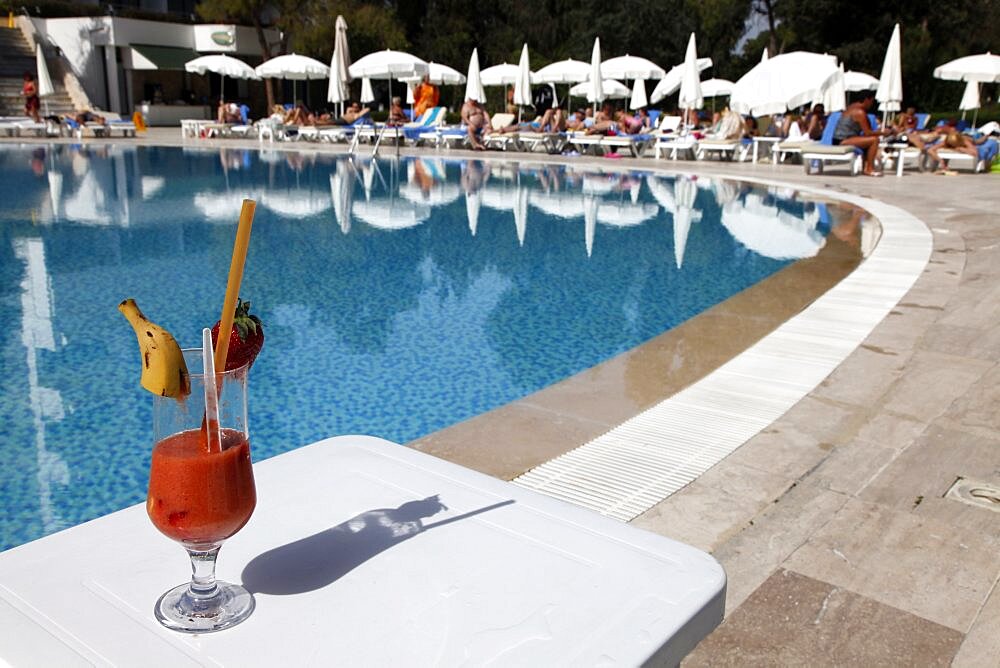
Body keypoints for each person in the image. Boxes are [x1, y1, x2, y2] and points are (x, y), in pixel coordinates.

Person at [832, 91, 892, 176]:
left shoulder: (851, 107)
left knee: (867, 140)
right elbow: (868, 132)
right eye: (871, 101)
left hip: (840, 138)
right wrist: (883, 133)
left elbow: (866, 132)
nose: (871, 104)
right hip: (842, 140)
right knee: (874, 140)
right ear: (866, 100)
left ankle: (866, 167)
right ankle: (870, 169)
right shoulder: (859, 112)